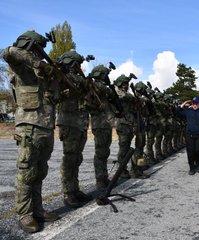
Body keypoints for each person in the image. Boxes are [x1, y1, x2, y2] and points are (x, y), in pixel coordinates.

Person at [3, 30, 60, 233]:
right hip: (28, 126)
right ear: (30, 47)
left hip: (46, 126)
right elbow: (8, 52)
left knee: (40, 172)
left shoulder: (42, 73)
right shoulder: (20, 64)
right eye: (37, 49)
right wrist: (38, 62)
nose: (40, 54)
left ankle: (38, 209)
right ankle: (25, 214)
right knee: (27, 173)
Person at [56, 50, 92, 208]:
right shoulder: (63, 76)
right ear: (72, 63)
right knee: (69, 159)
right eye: (78, 64)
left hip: (81, 123)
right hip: (69, 123)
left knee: (77, 158)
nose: (80, 67)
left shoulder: (79, 79)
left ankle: (75, 189)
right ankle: (67, 192)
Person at [88, 65, 115, 189]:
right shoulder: (94, 86)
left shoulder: (101, 88)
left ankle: (104, 177)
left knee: (105, 152)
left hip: (106, 124)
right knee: (100, 153)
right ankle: (100, 180)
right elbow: (105, 90)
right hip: (99, 124)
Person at [176, 96, 199, 175]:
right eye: (193, 103)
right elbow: (177, 112)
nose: (194, 105)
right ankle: (192, 168)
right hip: (189, 135)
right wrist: (183, 104)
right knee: (190, 152)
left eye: (196, 103)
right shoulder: (188, 111)